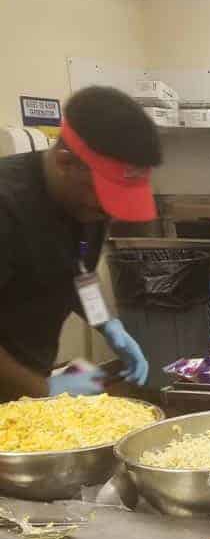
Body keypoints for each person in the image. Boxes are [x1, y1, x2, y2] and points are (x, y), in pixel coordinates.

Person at [0, 86, 161, 402]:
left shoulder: (87, 207)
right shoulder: (7, 206)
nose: (105, 213)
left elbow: (81, 270)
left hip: (28, 385)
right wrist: (47, 390)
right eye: (103, 198)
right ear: (64, 162)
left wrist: (107, 323)